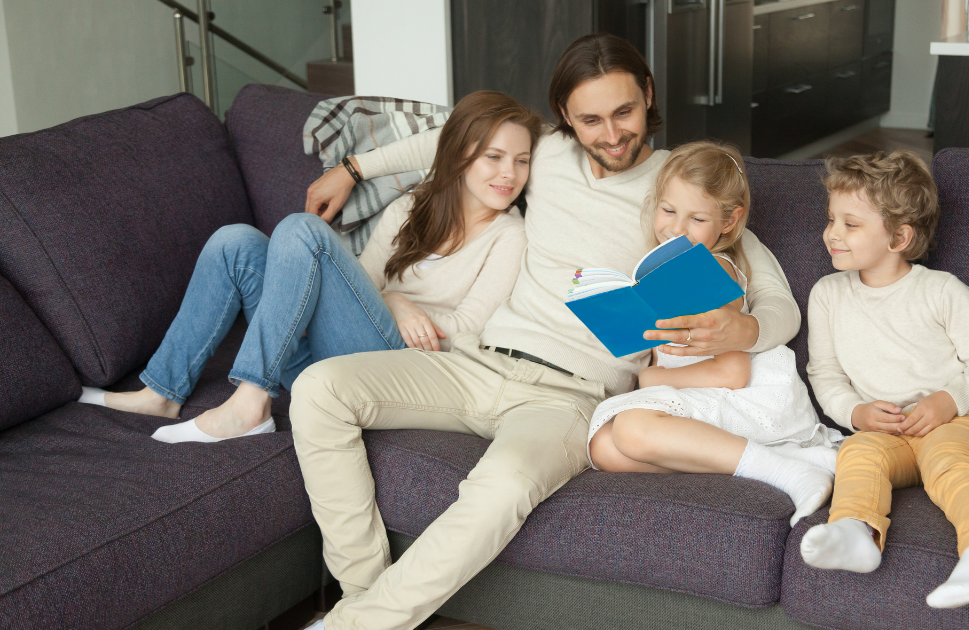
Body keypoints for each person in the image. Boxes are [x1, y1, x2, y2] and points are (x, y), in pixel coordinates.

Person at [295, 34, 802, 630]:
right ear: (565, 117)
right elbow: (455, 140)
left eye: (625, 112)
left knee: (503, 484)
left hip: (570, 396)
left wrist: (741, 329)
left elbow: (781, 304)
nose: (612, 135)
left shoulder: (683, 186)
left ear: (649, 96)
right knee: (317, 389)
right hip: (476, 361)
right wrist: (352, 168)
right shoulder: (545, 153)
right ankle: (362, 596)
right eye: (591, 119)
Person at [78, 91, 538, 444]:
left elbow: (464, 333)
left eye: (521, 161)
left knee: (304, 231)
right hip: (332, 354)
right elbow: (366, 282)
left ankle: (250, 405)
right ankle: (162, 393)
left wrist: (394, 307)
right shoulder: (412, 207)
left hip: (402, 368)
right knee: (233, 242)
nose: (509, 175)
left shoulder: (511, 235)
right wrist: (396, 301)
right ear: (458, 155)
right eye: (493, 157)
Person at [798, 150, 969, 609]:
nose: (832, 234)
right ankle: (854, 532)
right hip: (889, 433)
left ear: (899, 237)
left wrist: (948, 401)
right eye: (831, 220)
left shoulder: (942, 290)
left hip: (958, 423)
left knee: (948, 462)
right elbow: (825, 374)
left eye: (851, 224)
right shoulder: (827, 294)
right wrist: (856, 412)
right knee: (857, 453)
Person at [587, 141, 842, 526]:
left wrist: (651, 377)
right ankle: (781, 459)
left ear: (728, 221)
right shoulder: (671, 272)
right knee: (606, 450)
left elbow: (733, 373)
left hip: (740, 393)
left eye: (697, 219)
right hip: (697, 396)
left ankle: (788, 473)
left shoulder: (711, 271)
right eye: (669, 210)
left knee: (632, 428)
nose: (675, 229)